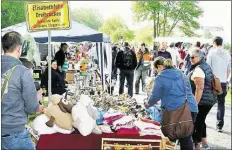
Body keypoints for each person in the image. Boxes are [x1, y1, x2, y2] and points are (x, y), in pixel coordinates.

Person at [1, 31, 44, 150]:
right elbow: (31, 108)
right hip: (14, 132)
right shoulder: (22, 72)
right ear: (20, 48)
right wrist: (37, 98)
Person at [144, 57, 198, 150]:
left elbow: (154, 97)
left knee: (170, 137)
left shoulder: (160, 78)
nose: (157, 72)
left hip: (174, 111)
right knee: (185, 137)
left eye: (156, 69)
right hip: (191, 108)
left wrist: (147, 104)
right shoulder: (182, 74)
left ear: (160, 66)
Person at [188, 49, 217, 149]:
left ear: (199, 57)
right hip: (209, 99)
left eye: (192, 57)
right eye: (190, 57)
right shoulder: (205, 65)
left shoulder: (199, 69)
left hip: (203, 101)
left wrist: (194, 104)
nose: (190, 59)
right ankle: (205, 144)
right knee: (201, 120)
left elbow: (199, 88)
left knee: (197, 121)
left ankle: (197, 145)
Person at [206, 36, 231, 132]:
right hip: (223, 81)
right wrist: (227, 81)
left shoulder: (211, 52)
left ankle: (202, 120)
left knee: (207, 101)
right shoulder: (227, 54)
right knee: (221, 103)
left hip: (213, 80)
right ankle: (219, 125)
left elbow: (208, 67)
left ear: (214, 43)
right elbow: (229, 70)